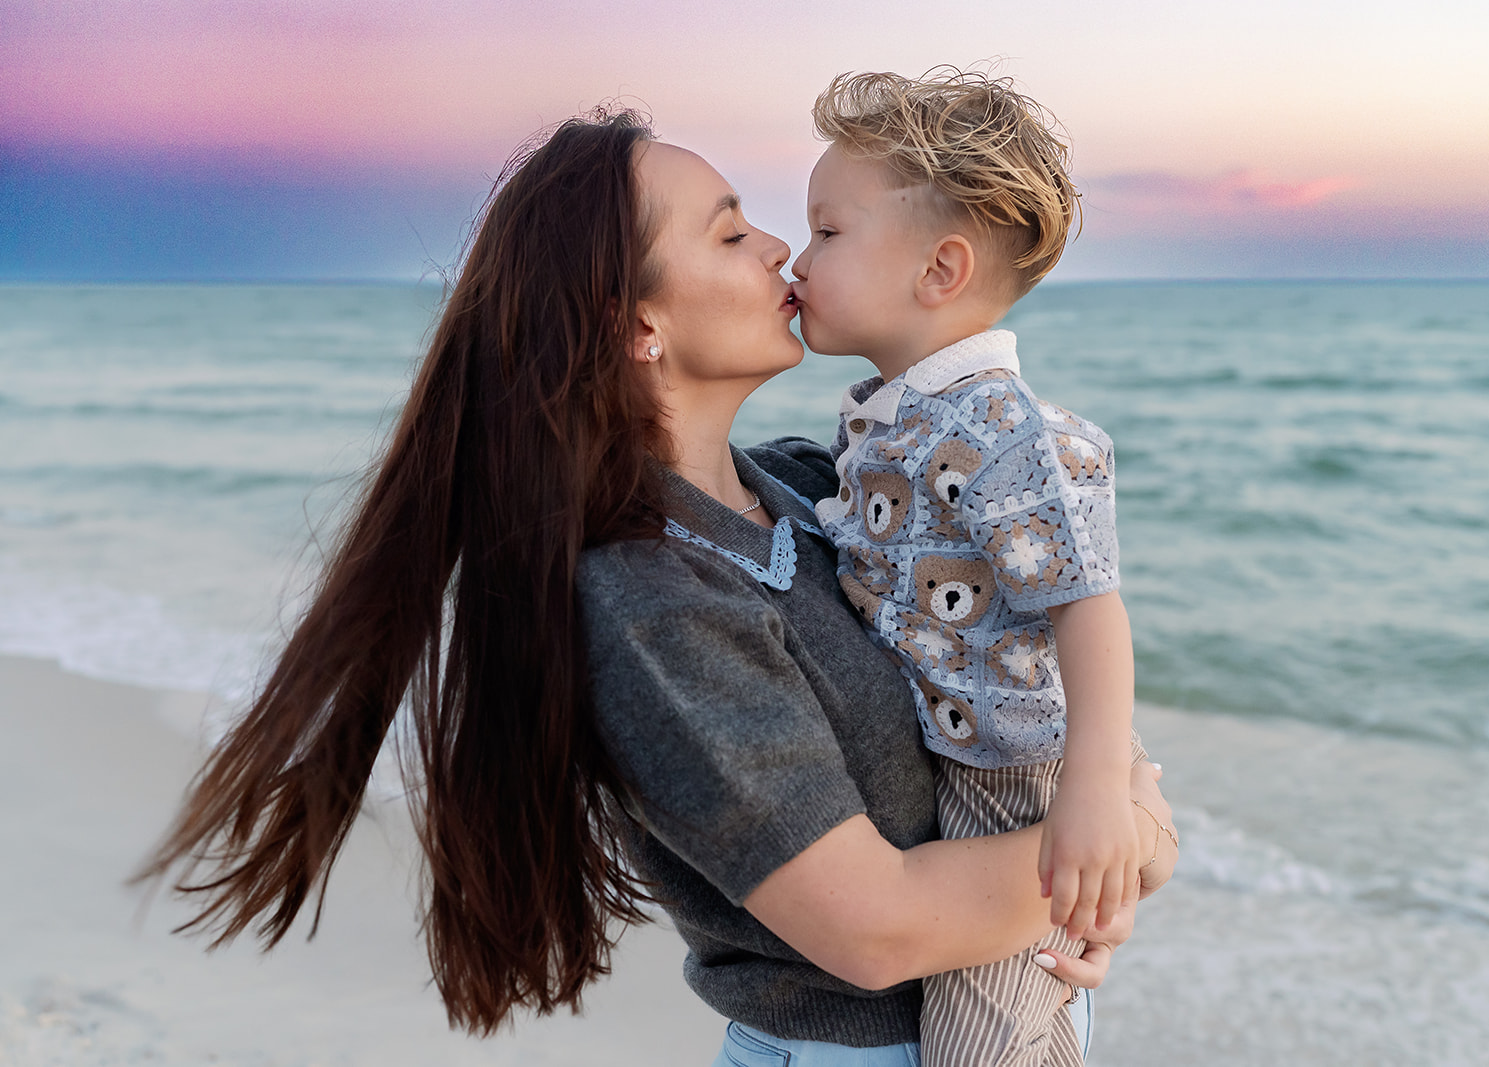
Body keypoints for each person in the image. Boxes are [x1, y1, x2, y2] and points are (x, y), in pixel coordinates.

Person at [137, 110, 1177, 1065]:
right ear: (636, 322)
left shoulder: (813, 490)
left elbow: (1027, 641)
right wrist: (1124, 843)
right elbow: (875, 927)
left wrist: (1116, 830)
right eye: (729, 234)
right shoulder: (646, 599)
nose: (778, 247)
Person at [788, 69, 1168, 1066]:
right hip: (955, 766)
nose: (796, 256)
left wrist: (1096, 787)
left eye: (828, 233)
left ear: (939, 269)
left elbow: (1086, 601)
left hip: (1011, 780)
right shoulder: (893, 411)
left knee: (975, 1044)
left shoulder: (995, 423)